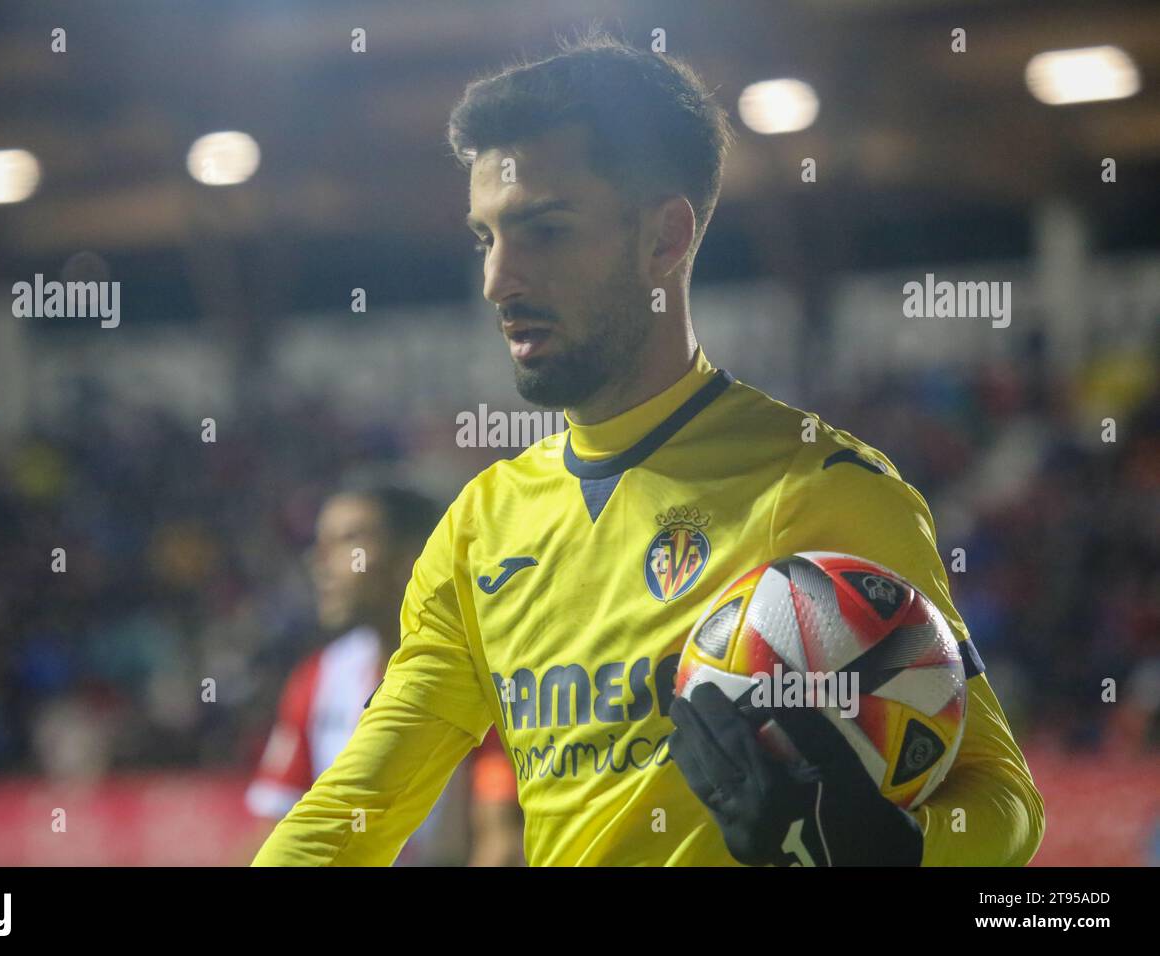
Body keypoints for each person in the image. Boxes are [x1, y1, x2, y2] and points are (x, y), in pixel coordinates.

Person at [254, 31, 1044, 867]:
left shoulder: (821, 490)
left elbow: (1001, 795)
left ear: (665, 240)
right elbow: (355, 809)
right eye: (487, 238)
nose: (498, 280)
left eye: (544, 231)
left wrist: (888, 852)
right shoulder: (481, 526)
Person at [245, 482, 522, 865]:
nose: (319, 560)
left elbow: (502, 842)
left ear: (413, 556)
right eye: (320, 542)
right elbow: (276, 829)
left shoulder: (485, 676)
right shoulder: (317, 677)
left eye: (349, 540)